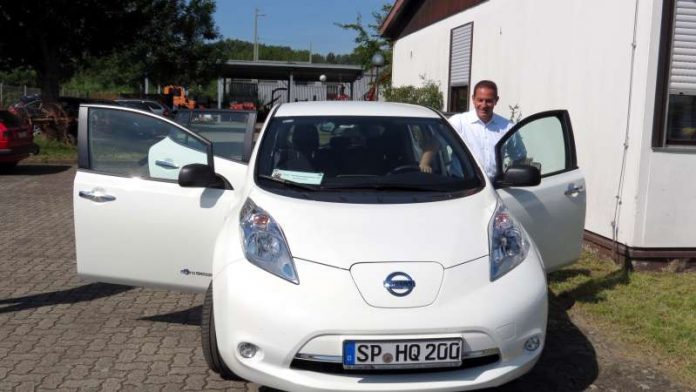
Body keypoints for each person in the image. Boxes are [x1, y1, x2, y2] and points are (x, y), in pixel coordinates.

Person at [447, 80, 526, 179]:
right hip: (462, 186)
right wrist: (425, 163)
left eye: (488, 101)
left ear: (496, 100)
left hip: (494, 188)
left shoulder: (507, 127)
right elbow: (437, 143)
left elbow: (519, 156)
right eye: (480, 100)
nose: (483, 105)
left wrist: (510, 177)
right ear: (473, 99)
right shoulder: (458, 122)